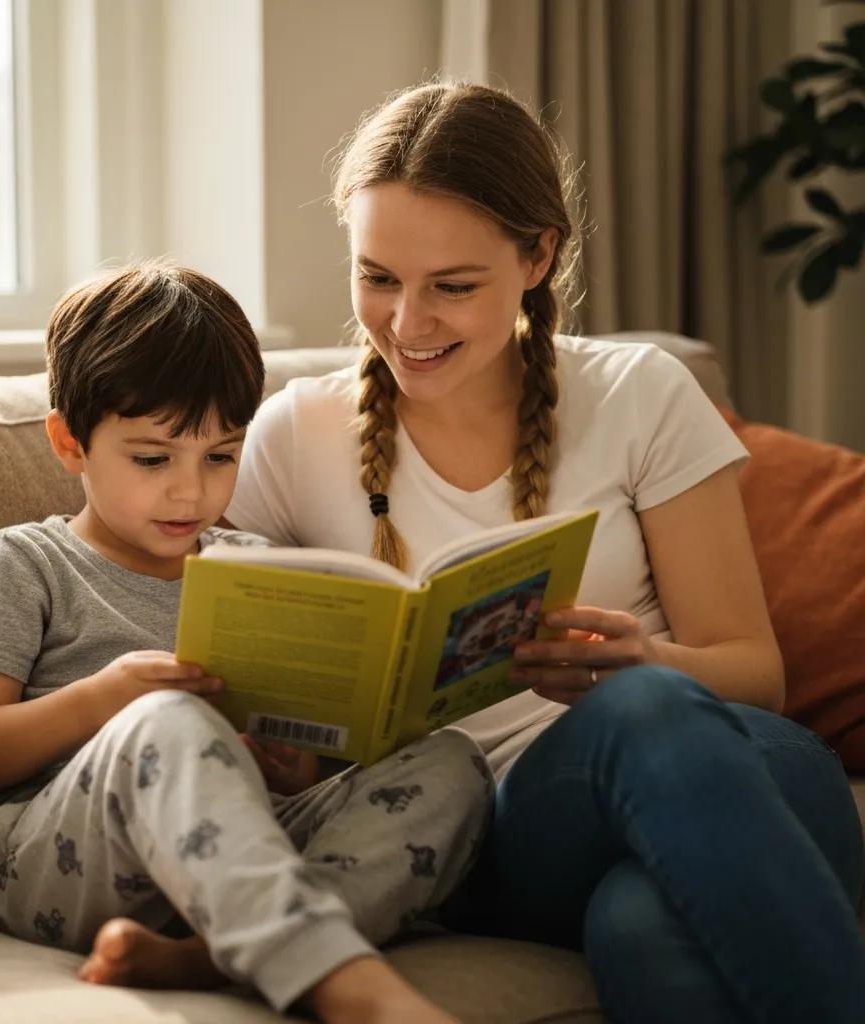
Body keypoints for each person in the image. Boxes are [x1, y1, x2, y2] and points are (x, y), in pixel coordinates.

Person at [224, 82, 865, 1023]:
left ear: (538, 256)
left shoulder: (643, 394)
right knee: (644, 758)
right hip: (503, 833)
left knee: (639, 923)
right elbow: (220, 652)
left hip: (739, 766)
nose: (408, 322)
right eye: (377, 277)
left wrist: (641, 663)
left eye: (453, 285)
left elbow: (754, 674)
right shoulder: (292, 436)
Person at [0, 260, 492, 1024]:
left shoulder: (255, 568)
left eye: (221, 456)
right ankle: (349, 986)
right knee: (167, 722)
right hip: (63, 868)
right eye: (153, 459)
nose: (191, 492)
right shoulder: (28, 561)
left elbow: (296, 771)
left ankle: (215, 955)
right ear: (69, 443)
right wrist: (109, 697)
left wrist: (294, 765)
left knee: (453, 760)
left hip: (243, 860)